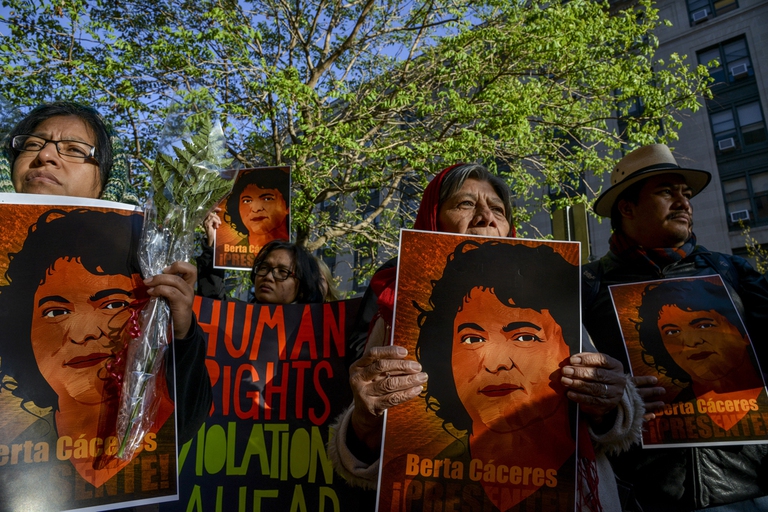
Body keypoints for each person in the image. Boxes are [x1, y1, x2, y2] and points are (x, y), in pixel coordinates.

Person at [329, 163, 643, 511]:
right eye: (465, 205)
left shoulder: (552, 296)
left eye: (497, 209)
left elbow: (610, 409)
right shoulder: (396, 305)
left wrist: (608, 401)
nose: (485, 217)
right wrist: (363, 420)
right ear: (433, 218)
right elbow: (369, 443)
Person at [582, 143, 768, 511]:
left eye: (686, 194)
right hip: (642, 495)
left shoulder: (734, 273)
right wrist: (615, 396)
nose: (684, 202)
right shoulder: (587, 286)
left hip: (750, 490)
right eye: (667, 192)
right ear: (627, 207)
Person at [0, 210, 208, 503]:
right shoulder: (12, 455)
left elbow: (188, 417)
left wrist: (183, 331)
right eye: (56, 312)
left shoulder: (161, 425)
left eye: (112, 305)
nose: (83, 333)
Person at [413, 239, 578, 510]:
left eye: (524, 337)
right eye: (471, 339)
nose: (495, 364)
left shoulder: (589, 461)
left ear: (568, 346)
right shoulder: (425, 486)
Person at [635, 278, 766, 433]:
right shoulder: (661, 422)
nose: (690, 342)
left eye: (704, 325)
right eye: (672, 332)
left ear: (743, 333)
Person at [1, 101, 139, 203]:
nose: (45, 155)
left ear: (109, 179)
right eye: (33, 145)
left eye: (74, 149)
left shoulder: (148, 241)